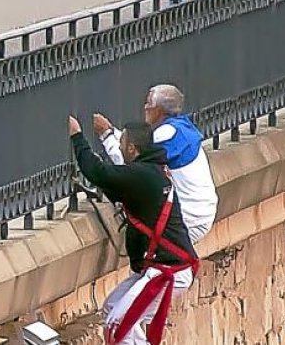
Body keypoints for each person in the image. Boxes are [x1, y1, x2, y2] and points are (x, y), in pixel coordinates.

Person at [69, 115, 199, 345]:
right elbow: (116, 183)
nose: (120, 148)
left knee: (119, 324)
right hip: (160, 268)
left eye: (122, 145)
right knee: (112, 308)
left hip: (168, 270)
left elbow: (99, 173)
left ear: (131, 148)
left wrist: (77, 136)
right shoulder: (151, 172)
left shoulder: (143, 176)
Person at [95, 84, 218, 244]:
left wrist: (106, 135)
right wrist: (112, 131)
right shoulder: (178, 128)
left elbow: (132, 164)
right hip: (198, 212)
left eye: (148, 104)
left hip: (189, 218)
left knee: (155, 262)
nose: (145, 107)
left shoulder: (165, 135)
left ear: (159, 110)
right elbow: (137, 147)